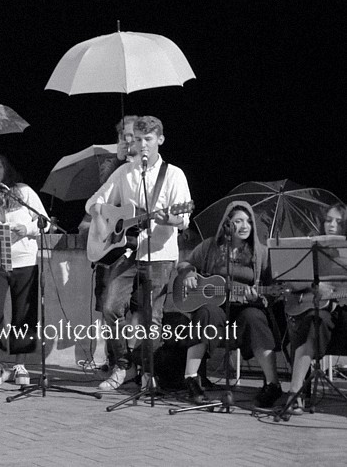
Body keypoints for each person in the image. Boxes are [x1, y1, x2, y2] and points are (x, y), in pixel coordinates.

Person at [85, 116, 192, 391]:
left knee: (151, 317)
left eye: (149, 139)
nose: (143, 145)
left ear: (160, 140)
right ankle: (123, 365)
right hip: (126, 253)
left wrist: (172, 219)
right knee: (110, 307)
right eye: (139, 139)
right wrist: (103, 216)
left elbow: (184, 220)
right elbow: (93, 203)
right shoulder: (125, 173)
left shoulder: (174, 174)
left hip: (159, 253)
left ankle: (148, 371)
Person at [176, 201, 284, 407]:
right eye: (238, 221)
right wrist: (189, 272)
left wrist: (260, 296)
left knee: (254, 318)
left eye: (248, 221)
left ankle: (273, 385)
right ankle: (191, 379)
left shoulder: (260, 253)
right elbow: (184, 263)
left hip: (244, 307)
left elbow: (272, 288)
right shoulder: (210, 247)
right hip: (216, 307)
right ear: (227, 224)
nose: (245, 226)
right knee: (206, 312)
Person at [0, 152, 47, 386]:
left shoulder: (23, 191)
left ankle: (20, 364)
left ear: (6, 169)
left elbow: (44, 221)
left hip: (24, 260)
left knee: (23, 314)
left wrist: (27, 229)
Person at [78, 115, 139, 369]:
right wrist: (119, 161)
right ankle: (114, 360)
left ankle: (133, 361)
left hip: (136, 244)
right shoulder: (111, 164)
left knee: (136, 307)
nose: (126, 139)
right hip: (111, 244)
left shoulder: (150, 168)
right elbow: (103, 198)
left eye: (131, 135)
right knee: (109, 306)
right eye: (121, 135)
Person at [285, 203, 347, 415]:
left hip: (342, 308)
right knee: (314, 324)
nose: (332, 225)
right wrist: (315, 285)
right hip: (318, 307)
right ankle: (295, 393)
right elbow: (292, 280)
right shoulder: (310, 247)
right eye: (328, 220)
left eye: (338, 222)